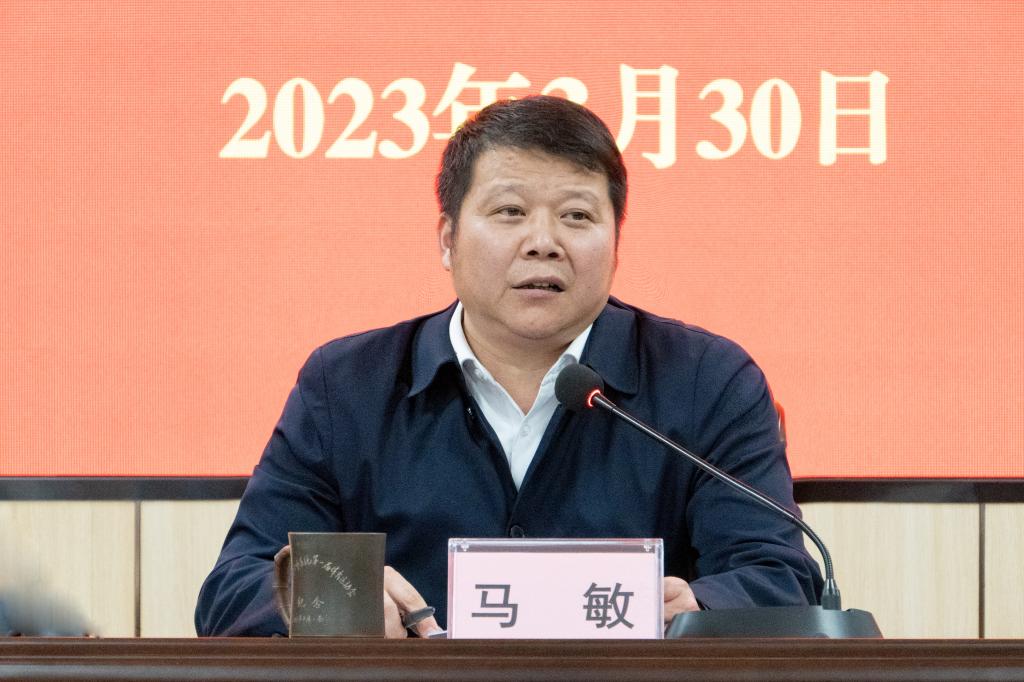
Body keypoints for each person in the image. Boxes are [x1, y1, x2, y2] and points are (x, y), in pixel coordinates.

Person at [195, 95, 823, 638]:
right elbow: (233, 589)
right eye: (509, 212)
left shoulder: (708, 380)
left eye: (577, 216)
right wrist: (331, 602)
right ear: (448, 239)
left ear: (616, 244)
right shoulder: (347, 386)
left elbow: (780, 577)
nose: (543, 242)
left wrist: (700, 609)